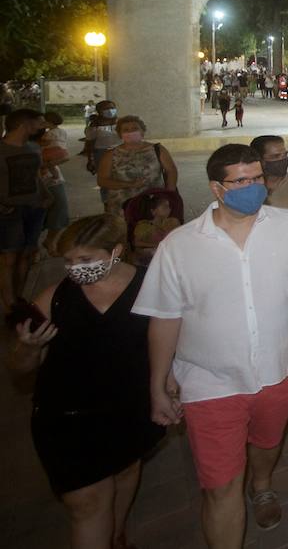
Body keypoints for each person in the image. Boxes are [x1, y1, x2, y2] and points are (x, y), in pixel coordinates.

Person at [133, 143, 288, 544]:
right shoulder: (179, 246)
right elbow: (164, 319)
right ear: (217, 189)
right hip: (209, 382)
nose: (253, 187)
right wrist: (157, 383)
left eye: (257, 178)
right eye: (242, 181)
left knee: (267, 443)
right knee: (221, 489)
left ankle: (262, 482)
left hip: (279, 369)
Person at [9, 215, 165, 549]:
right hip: (68, 418)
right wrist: (27, 348)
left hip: (129, 408)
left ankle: (116, 535)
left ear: (116, 251)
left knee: (125, 473)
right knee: (88, 504)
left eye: (85, 259)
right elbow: (20, 368)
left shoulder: (151, 287)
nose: (75, 269)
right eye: (69, 261)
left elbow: (169, 342)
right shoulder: (54, 300)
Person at [2, 109, 49, 313]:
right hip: (7, 210)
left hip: (34, 206)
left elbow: (35, 176)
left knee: (27, 254)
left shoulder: (33, 148)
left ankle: (18, 298)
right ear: (24, 124)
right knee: (9, 258)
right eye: (38, 123)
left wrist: (46, 195)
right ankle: (10, 304)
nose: (42, 127)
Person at [97, 116, 178, 217]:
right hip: (121, 206)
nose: (130, 132)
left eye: (135, 128)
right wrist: (129, 184)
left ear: (143, 132)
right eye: (126, 130)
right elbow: (102, 180)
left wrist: (168, 196)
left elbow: (171, 171)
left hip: (155, 204)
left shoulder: (158, 149)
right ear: (120, 134)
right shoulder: (110, 155)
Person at [39, 112, 72, 247]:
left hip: (49, 177)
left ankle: (49, 241)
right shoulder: (60, 132)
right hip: (46, 176)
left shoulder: (47, 135)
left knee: (59, 212)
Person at [131, 191, 182, 263]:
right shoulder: (144, 225)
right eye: (164, 206)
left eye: (168, 206)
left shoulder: (173, 222)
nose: (168, 209)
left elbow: (179, 238)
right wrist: (156, 245)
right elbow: (136, 243)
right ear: (153, 211)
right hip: (151, 254)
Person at [82, 101, 120, 177]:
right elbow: (89, 144)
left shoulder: (121, 122)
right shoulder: (94, 125)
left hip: (121, 152)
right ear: (99, 111)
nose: (110, 110)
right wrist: (90, 160)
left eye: (112, 108)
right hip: (102, 153)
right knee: (106, 177)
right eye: (106, 108)